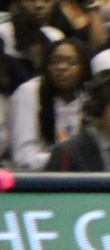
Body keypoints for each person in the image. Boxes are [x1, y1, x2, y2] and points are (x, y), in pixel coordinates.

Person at [7, 35, 85, 168]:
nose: (62, 67)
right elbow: (23, 156)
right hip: (39, 176)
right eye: (55, 61)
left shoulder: (89, 95)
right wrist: (64, 158)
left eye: (72, 62)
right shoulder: (29, 92)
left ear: (84, 68)